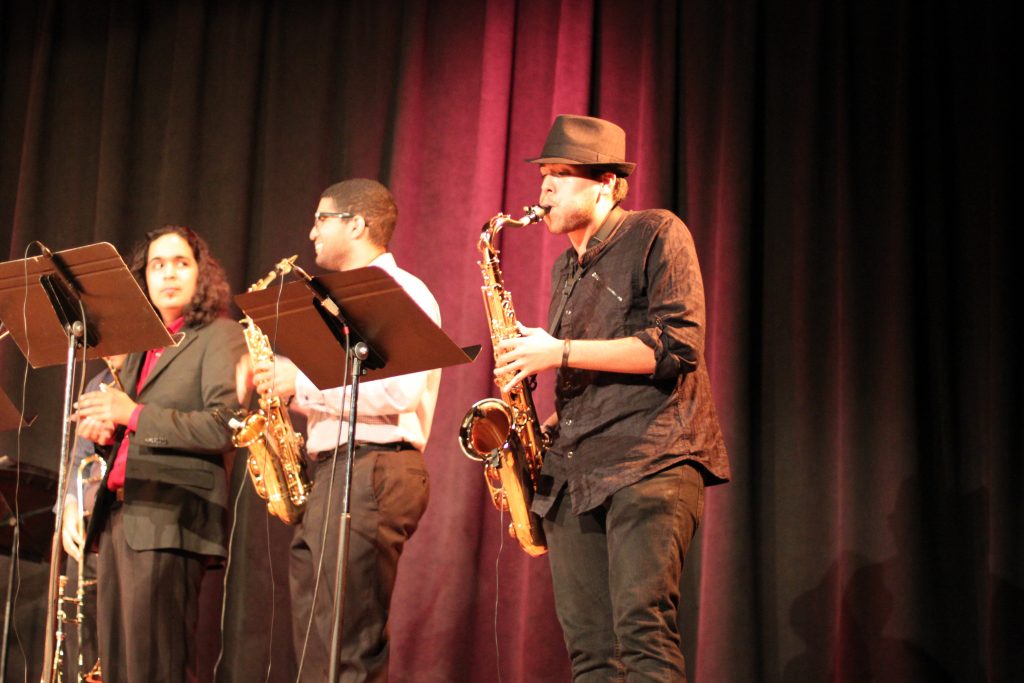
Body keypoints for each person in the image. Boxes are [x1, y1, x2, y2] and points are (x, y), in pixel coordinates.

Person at [494, 115, 732, 682]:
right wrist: (536, 428)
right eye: (543, 174)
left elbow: (676, 348)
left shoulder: (657, 231)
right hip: (577, 474)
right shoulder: (563, 268)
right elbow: (589, 376)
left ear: (607, 185)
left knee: (642, 636)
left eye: (562, 174)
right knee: (591, 655)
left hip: (650, 459)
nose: (545, 187)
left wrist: (558, 351)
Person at [246, 179, 439, 682]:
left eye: (320, 220)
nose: (311, 233)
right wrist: (286, 389)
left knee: (349, 645)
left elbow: (399, 393)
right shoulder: (331, 301)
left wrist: (302, 384)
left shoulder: (399, 291)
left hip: (374, 468)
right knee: (317, 643)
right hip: (334, 471)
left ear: (356, 224)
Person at [73, 226, 245, 682]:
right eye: (157, 265)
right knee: (118, 668)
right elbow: (128, 426)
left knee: (157, 668)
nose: (168, 273)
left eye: (181, 263)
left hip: (170, 517)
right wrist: (105, 431)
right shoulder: (140, 345)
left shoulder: (220, 335)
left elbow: (224, 425)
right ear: (143, 278)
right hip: (118, 518)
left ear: (200, 274)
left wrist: (132, 413)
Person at [60, 354, 124, 681]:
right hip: (88, 527)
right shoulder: (98, 382)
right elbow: (78, 456)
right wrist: (70, 504)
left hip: (122, 523)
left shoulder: (147, 382)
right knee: (79, 633)